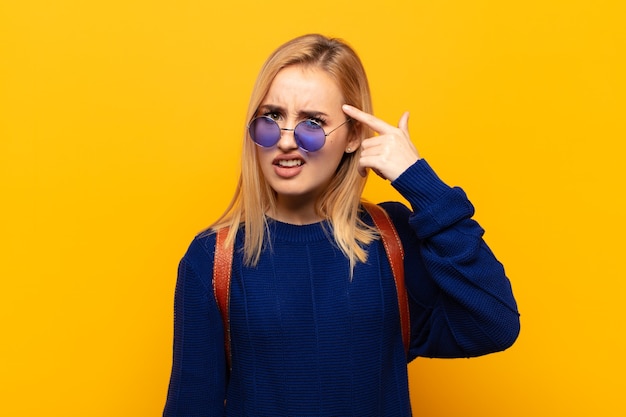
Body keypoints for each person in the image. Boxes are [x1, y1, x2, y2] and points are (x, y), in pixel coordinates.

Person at [163, 34, 520, 417]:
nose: (285, 141)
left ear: (352, 137)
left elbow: (494, 323)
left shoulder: (391, 239)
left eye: (312, 123)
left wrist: (421, 183)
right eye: (271, 118)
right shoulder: (212, 258)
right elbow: (191, 406)